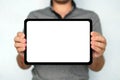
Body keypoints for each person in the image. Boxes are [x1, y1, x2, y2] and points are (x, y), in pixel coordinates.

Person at [14, 0, 107, 80]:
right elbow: (23, 66)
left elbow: (97, 67)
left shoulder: (91, 16)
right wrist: (23, 54)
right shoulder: (34, 16)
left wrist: (96, 55)